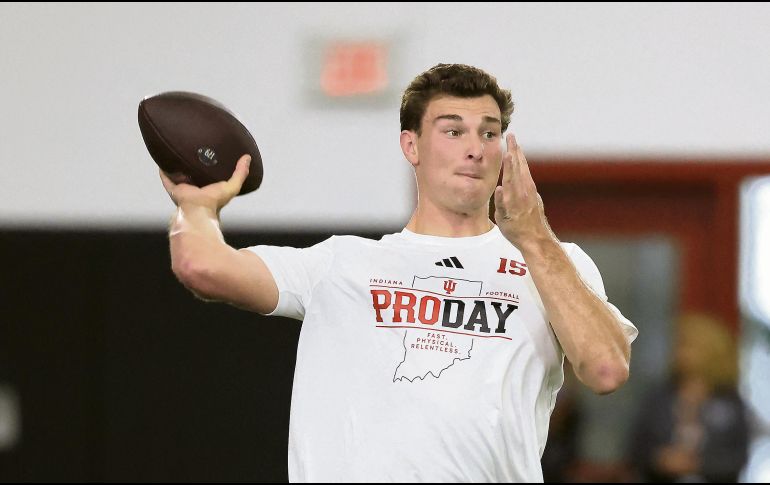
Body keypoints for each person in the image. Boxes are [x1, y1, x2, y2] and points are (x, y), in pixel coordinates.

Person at [159, 63, 638, 482]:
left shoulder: (554, 264)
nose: (475, 148)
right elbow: (201, 266)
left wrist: (533, 237)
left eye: (489, 133)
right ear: (411, 145)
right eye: (453, 131)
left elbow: (605, 369)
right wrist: (196, 208)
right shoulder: (342, 264)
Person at [629, 312, 748, 483]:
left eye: (689, 346)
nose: (681, 352)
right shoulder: (658, 397)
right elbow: (637, 448)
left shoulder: (730, 401)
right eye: (679, 345)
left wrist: (699, 464)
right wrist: (660, 460)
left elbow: (738, 456)